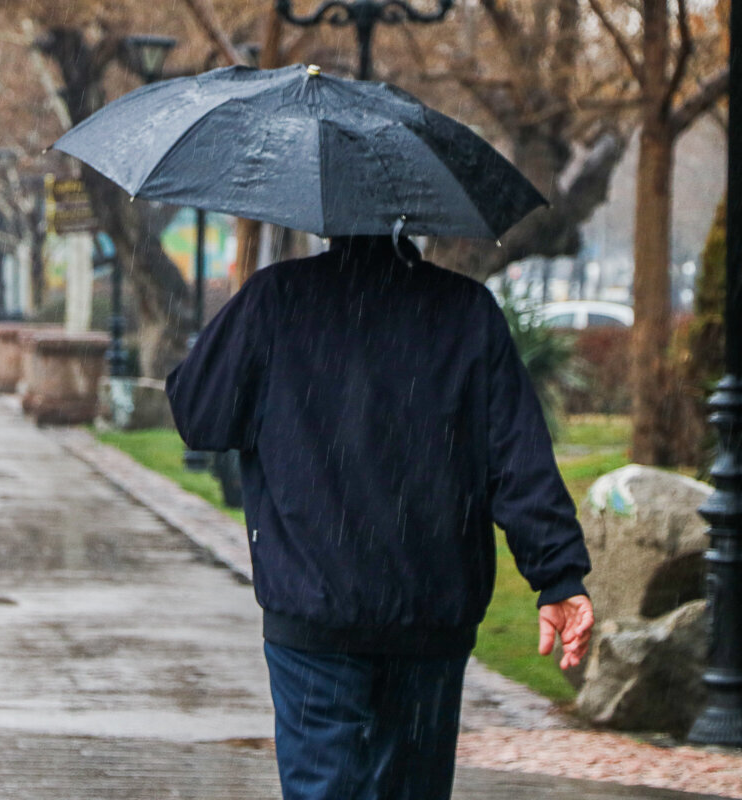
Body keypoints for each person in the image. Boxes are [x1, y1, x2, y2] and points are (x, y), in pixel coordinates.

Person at [166, 236, 594, 800]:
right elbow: (517, 458)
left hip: (314, 604)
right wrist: (558, 576)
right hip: (430, 610)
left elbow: (200, 415)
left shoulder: (277, 299)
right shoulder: (465, 310)